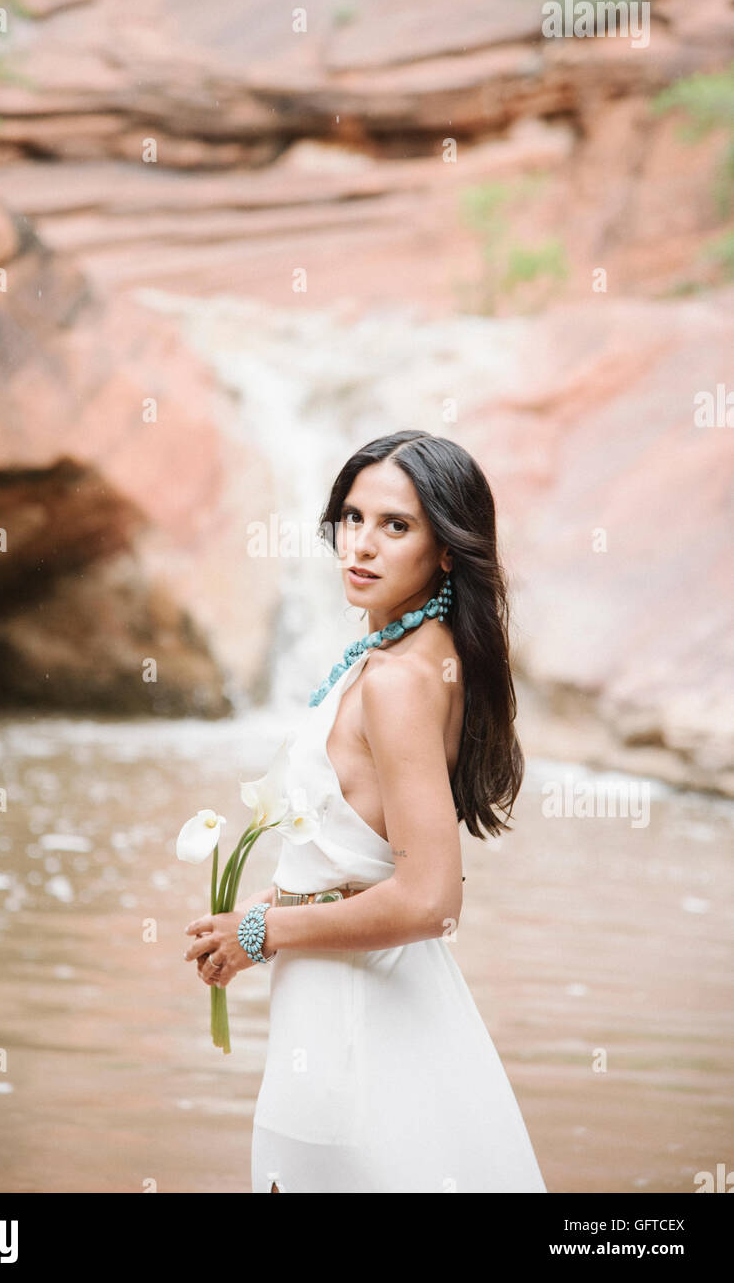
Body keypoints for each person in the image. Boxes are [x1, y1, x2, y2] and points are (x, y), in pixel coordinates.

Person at [183, 429, 548, 1193]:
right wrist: (274, 899)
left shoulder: (398, 680)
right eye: (352, 518)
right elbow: (368, 855)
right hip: (366, 1003)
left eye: (396, 526)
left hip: (353, 1017)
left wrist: (264, 930)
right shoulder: (411, 652)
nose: (362, 544)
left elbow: (429, 900)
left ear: (447, 549)